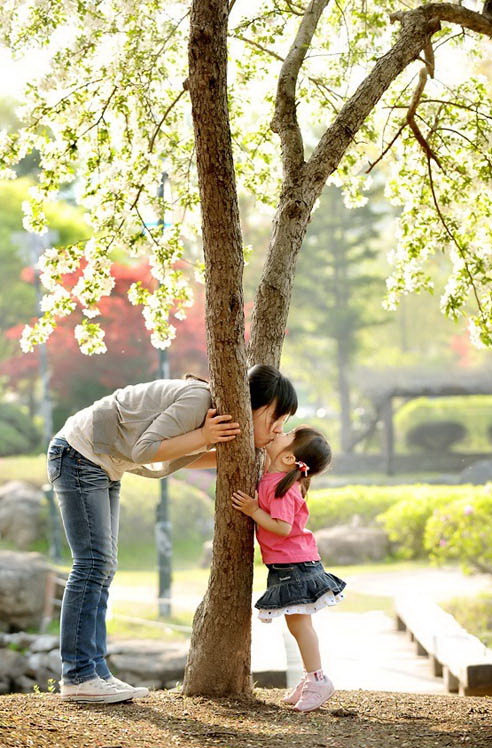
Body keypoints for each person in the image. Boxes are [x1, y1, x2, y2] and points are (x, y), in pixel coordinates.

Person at [47, 365, 297, 703]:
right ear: (254, 405)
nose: (278, 428)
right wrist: (206, 437)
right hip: (78, 454)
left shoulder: (216, 416)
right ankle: (78, 674)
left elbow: (177, 456)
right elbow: (145, 450)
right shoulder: (199, 401)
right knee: (92, 564)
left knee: (103, 567)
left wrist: (226, 450)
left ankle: (95, 671)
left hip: (103, 463)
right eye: (275, 419)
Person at [232, 426, 346, 713]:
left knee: (299, 625)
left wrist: (253, 511)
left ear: (288, 458)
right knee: (297, 625)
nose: (279, 433)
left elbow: (282, 528)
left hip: (295, 565)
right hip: (289, 564)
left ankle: (318, 679)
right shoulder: (275, 479)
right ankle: (311, 676)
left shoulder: (281, 486)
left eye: (286, 435)